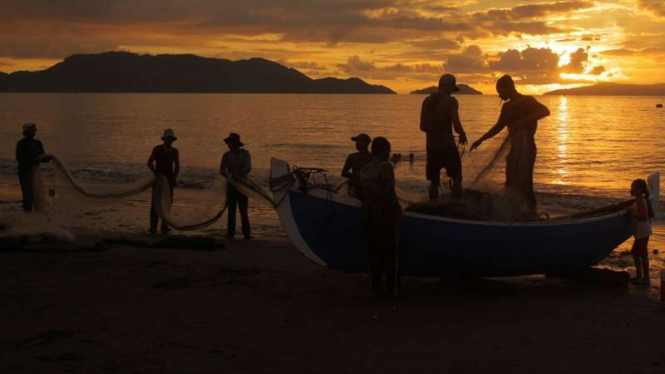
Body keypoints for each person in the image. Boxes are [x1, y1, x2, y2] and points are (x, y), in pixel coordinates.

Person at [470, 75, 550, 212]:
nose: (499, 95)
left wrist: (524, 120)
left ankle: (532, 213)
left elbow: (545, 111)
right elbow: (498, 126)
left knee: (526, 183)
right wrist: (481, 139)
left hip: (527, 148)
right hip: (514, 149)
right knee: (510, 182)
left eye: (500, 91)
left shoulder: (527, 101)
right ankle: (514, 211)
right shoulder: (506, 107)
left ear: (508, 88)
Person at [359, 137, 402, 299]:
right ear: (383, 151)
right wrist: (397, 210)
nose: (389, 154)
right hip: (384, 215)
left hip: (369, 214)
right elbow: (389, 191)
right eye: (388, 151)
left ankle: (377, 290)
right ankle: (391, 290)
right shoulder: (385, 167)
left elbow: (363, 192)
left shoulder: (366, 168)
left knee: (374, 254)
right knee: (390, 254)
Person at [420, 73, 468, 200]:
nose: (452, 92)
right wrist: (462, 134)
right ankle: (456, 206)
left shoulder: (426, 101)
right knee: (457, 177)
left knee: (434, 181)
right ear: (449, 87)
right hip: (447, 146)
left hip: (431, 146)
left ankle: (433, 207)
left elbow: (422, 126)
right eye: (452, 89)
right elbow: (456, 123)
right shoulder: (451, 102)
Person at [147, 129, 180, 234]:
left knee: (167, 203)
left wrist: (174, 178)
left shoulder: (175, 151)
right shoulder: (157, 149)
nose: (170, 140)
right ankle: (153, 227)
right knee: (155, 204)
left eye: (171, 138)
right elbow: (149, 162)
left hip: (169, 180)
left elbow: (177, 166)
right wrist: (156, 174)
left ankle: (164, 226)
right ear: (165, 139)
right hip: (159, 180)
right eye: (168, 138)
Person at [220, 133, 251, 240]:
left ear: (237, 144)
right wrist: (229, 176)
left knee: (243, 211)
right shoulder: (226, 155)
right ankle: (230, 234)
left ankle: (246, 234)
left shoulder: (245, 153)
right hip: (231, 185)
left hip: (243, 185)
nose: (229, 145)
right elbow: (222, 170)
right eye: (228, 143)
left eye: (231, 143)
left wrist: (239, 174)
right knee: (231, 211)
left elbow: (248, 167)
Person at [627, 179, 654, 284]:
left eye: (633, 187)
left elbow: (643, 217)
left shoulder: (639, 201)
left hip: (642, 231)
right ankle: (640, 276)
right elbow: (650, 214)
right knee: (635, 252)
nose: (631, 189)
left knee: (642, 254)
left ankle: (645, 279)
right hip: (643, 230)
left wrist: (631, 214)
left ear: (639, 190)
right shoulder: (642, 199)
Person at [15, 123, 47, 212]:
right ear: (26, 131)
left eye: (35, 129)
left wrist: (47, 158)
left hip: (35, 171)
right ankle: (28, 213)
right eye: (33, 129)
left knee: (36, 192)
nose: (35, 131)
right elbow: (19, 158)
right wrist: (34, 161)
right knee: (27, 193)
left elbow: (42, 155)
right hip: (24, 171)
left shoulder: (38, 143)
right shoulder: (21, 143)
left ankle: (35, 212)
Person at [341, 133, 373, 197]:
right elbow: (344, 173)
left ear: (365, 143)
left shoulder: (373, 158)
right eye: (356, 142)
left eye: (358, 141)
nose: (356, 143)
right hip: (356, 186)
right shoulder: (352, 157)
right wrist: (357, 175)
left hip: (369, 188)